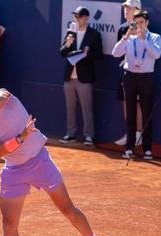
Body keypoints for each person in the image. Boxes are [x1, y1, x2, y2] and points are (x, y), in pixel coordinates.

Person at [0, 71, 102, 236]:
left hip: (40, 161)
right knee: (8, 224)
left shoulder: (1, 95)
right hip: (13, 170)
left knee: (67, 209)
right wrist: (21, 137)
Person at [112, 10, 161, 160]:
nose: (138, 25)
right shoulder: (129, 38)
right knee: (130, 113)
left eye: (141, 23)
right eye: (136, 23)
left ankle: (147, 149)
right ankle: (129, 148)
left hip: (146, 77)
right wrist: (126, 37)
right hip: (130, 77)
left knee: (147, 113)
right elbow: (116, 53)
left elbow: (157, 54)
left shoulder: (155, 37)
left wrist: (144, 39)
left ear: (147, 23)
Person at [59, 6, 103, 146]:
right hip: (69, 77)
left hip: (85, 77)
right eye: (75, 17)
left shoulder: (94, 35)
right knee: (69, 107)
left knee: (86, 107)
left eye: (78, 16)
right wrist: (67, 44)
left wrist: (86, 54)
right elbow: (62, 52)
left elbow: (99, 55)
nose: (76, 19)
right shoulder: (70, 33)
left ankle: (89, 135)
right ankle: (70, 134)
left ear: (86, 18)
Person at [114, 0, 144, 146]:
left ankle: (139, 134)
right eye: (125, 8)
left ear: (137, 9)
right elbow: (118, 51)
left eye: (130, 8)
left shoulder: (143, 28)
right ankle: (129, 133)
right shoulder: (121, 29)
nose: (126, 11)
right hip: (124, 70)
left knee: (137, 103)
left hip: (140, 72)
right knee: (126, 103)